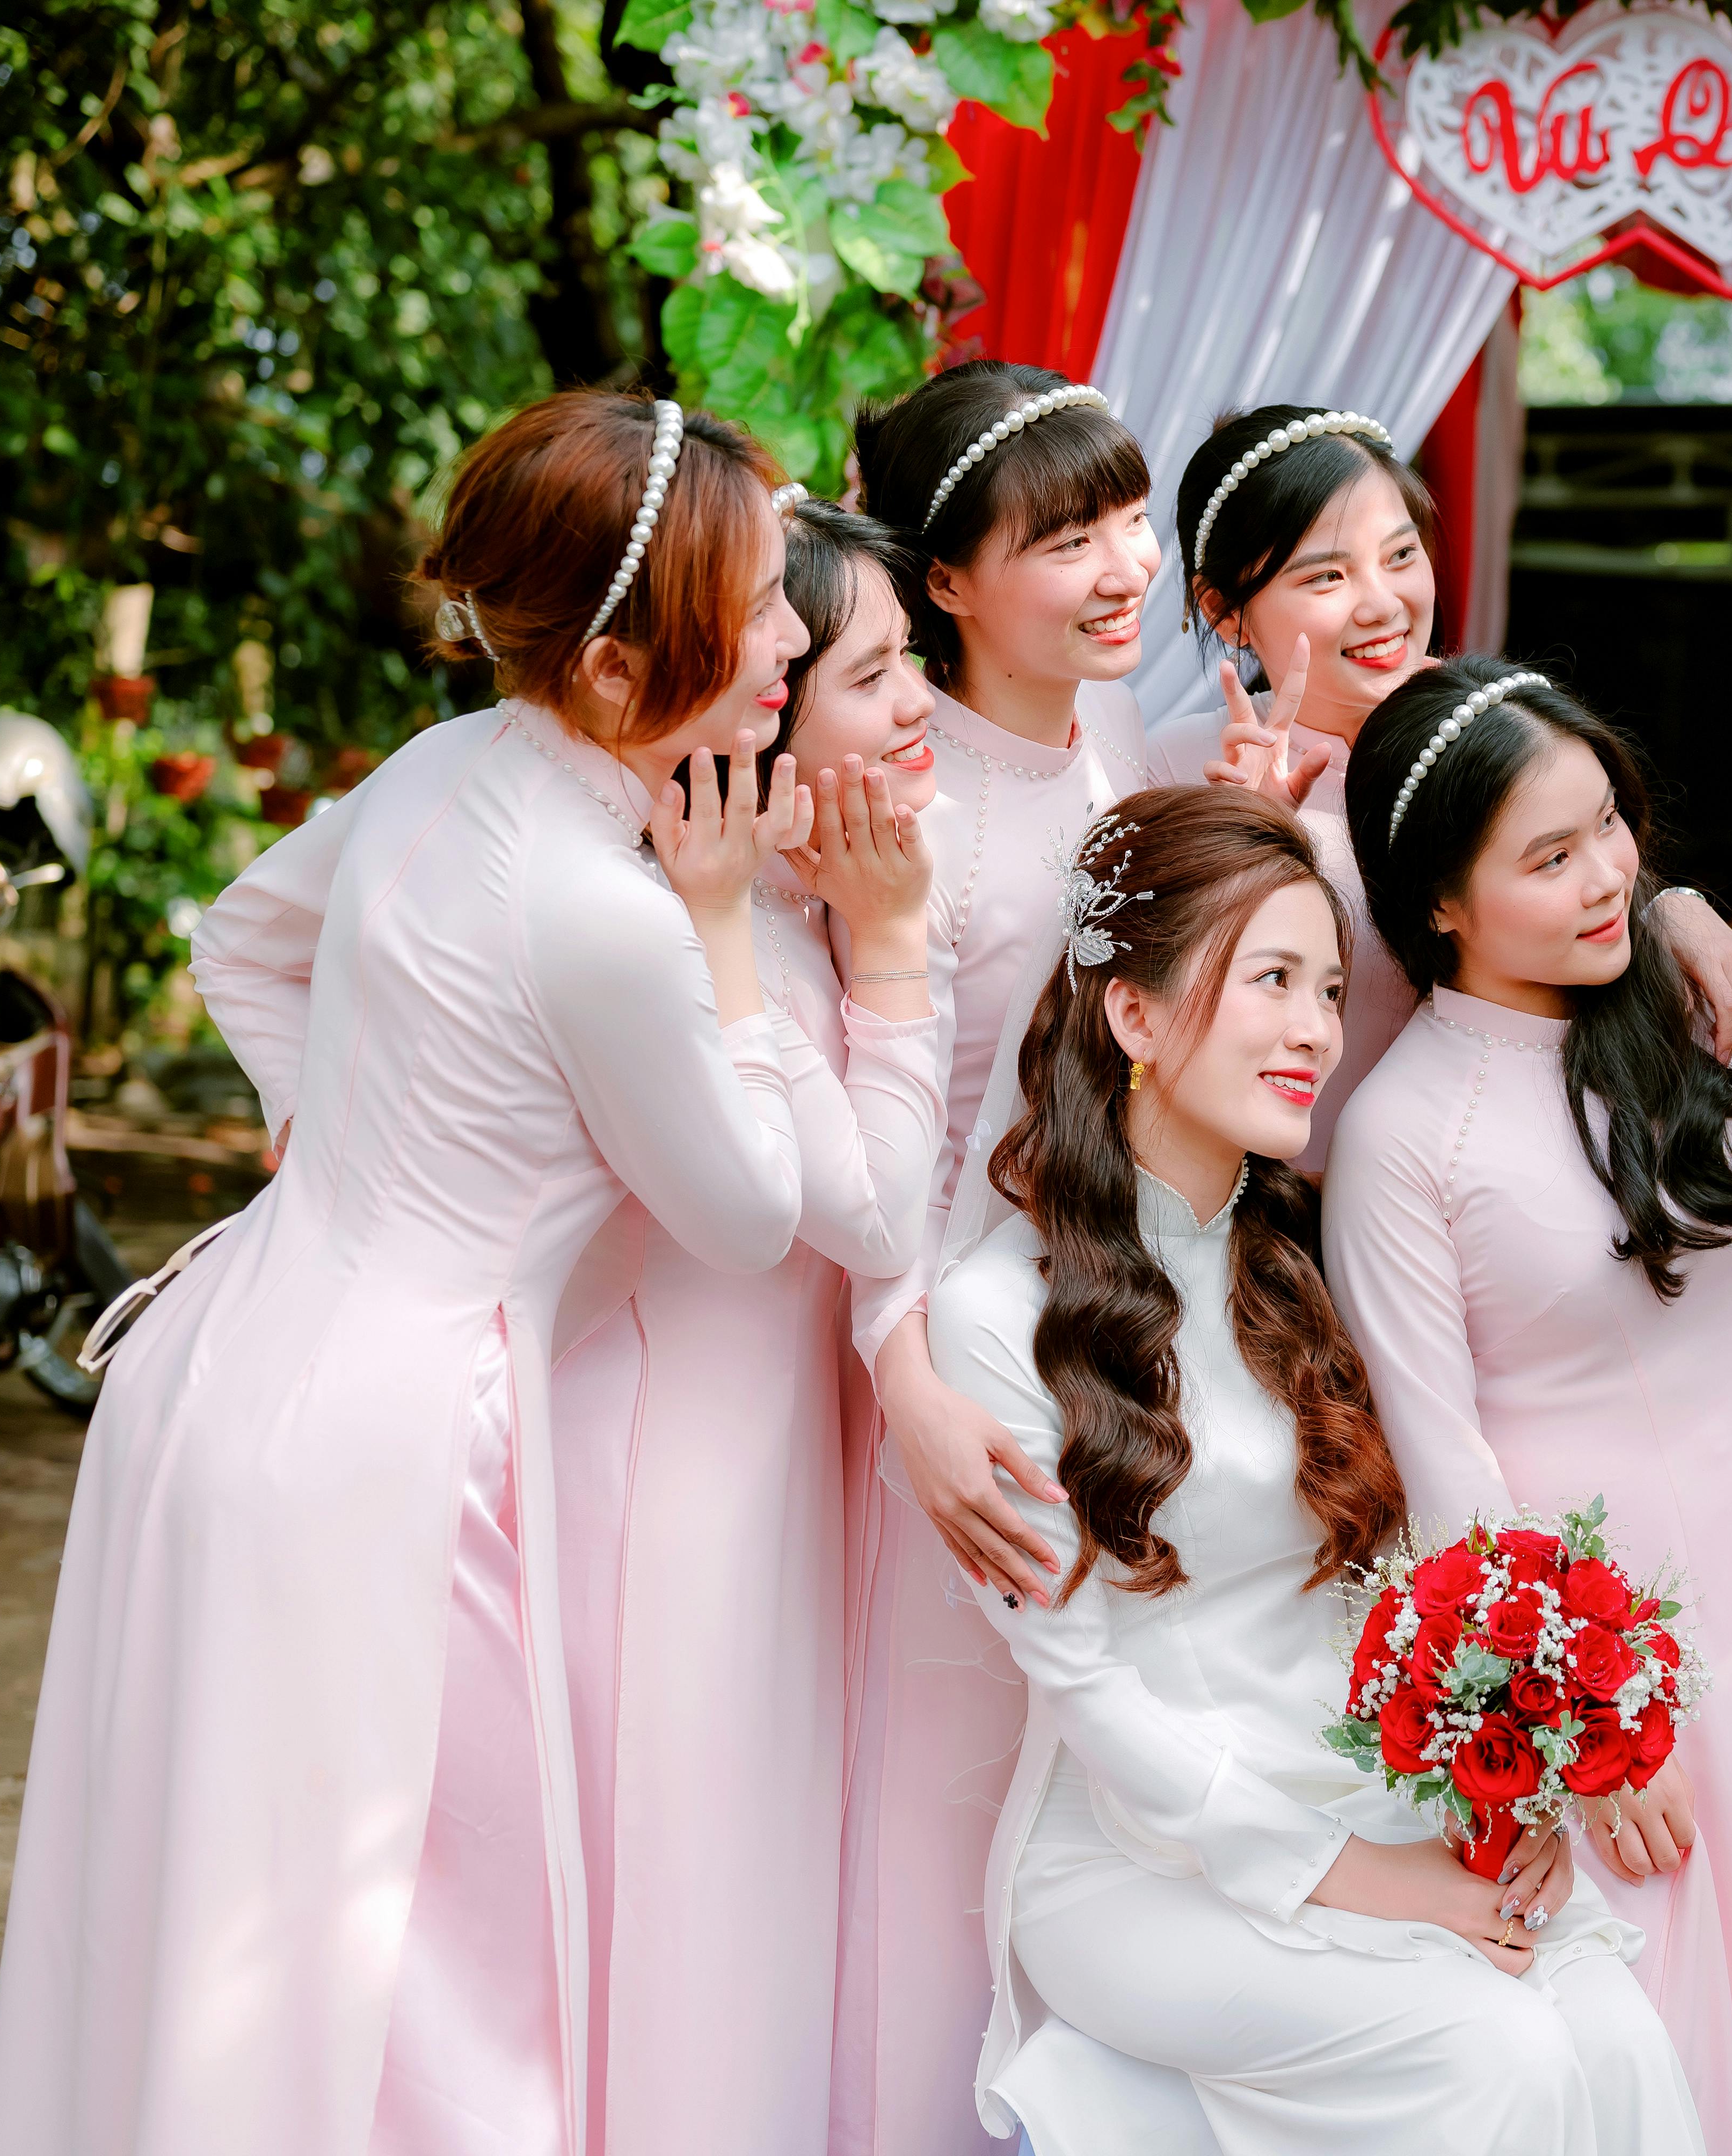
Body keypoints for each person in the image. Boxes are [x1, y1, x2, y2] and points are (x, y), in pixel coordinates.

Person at [0, 390, 818, 2156]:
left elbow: (239, 936)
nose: (800, 635)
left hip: (229, 1358)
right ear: (610, 669)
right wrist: (734, 940)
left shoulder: (447, 767)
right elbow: (750, 1211)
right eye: (761, 606)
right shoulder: (608, 910)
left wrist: (342, 1132)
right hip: (395, 1453)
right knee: (425, 1958)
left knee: (203, 1888)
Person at [929, 785, 1704, 2155]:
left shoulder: (1301, 1256)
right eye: (1270, 980)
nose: (1314, 1030)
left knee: (1616, 2036)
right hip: (1138, 1860)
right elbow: (1090, 1691)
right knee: (1493, 2054)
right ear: (1136, 1016)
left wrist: (1488, 1805)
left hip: (1364, 1799)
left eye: (1330, 987)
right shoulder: (999, 1318)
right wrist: (1379, 1883)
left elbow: (1386, 1596)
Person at [1325, 660, 1732, 2156]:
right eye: (1549, 857)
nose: (1608, 881)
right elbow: (1443, 1460)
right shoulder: (1402, 1135)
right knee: (1653, 2033)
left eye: (1612, 832)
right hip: (1593, 1645)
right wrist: (1582, 1733)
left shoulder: (1699, 1018)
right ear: (1438, 898)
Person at [545, 498, 946, 2156]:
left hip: (791, 1436)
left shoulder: (777, 912)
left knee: (769, 1853)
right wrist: (898, 956)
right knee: (693, 1852)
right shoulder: (708, 922)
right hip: (674, 1455)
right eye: (869, 669)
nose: (913, 701)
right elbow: (863, 1211)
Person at [834, 360, 1164, 2154]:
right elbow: (854, 1128)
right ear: (945, 580)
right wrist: (904, 1383)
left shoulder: (1104, 747)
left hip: (1088, 1337)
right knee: (947, 1799)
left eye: (1125, 519)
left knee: (1071, 1809)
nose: (1122, 566)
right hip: (943, 1368)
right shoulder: (915, 810)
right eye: (1064, 538)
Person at [1142, 403, 1732, 1174]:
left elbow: (1587, 886)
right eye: (1328, 575)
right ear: (1223, 612)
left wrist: (1670, 909)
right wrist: (1243, 845)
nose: (1382, 603)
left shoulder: (1497, 734)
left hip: (1494, 1187)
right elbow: (1138, 1034)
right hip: (1265, 1218)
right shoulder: (1170, 774)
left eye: (1401, 556)